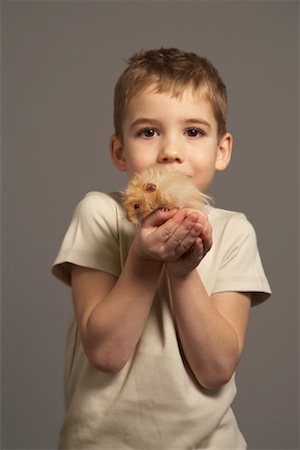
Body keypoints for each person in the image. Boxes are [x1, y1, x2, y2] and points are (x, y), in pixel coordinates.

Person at [52, 47, 271, 449]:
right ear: (119, 150)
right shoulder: (99, 215)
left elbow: (216, 368)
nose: (171, 150)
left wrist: (183, 273)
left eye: (193, 132)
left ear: (221, 150)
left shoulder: (235, 231)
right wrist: (144, 257)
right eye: (149, 131)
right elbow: (105, 352)